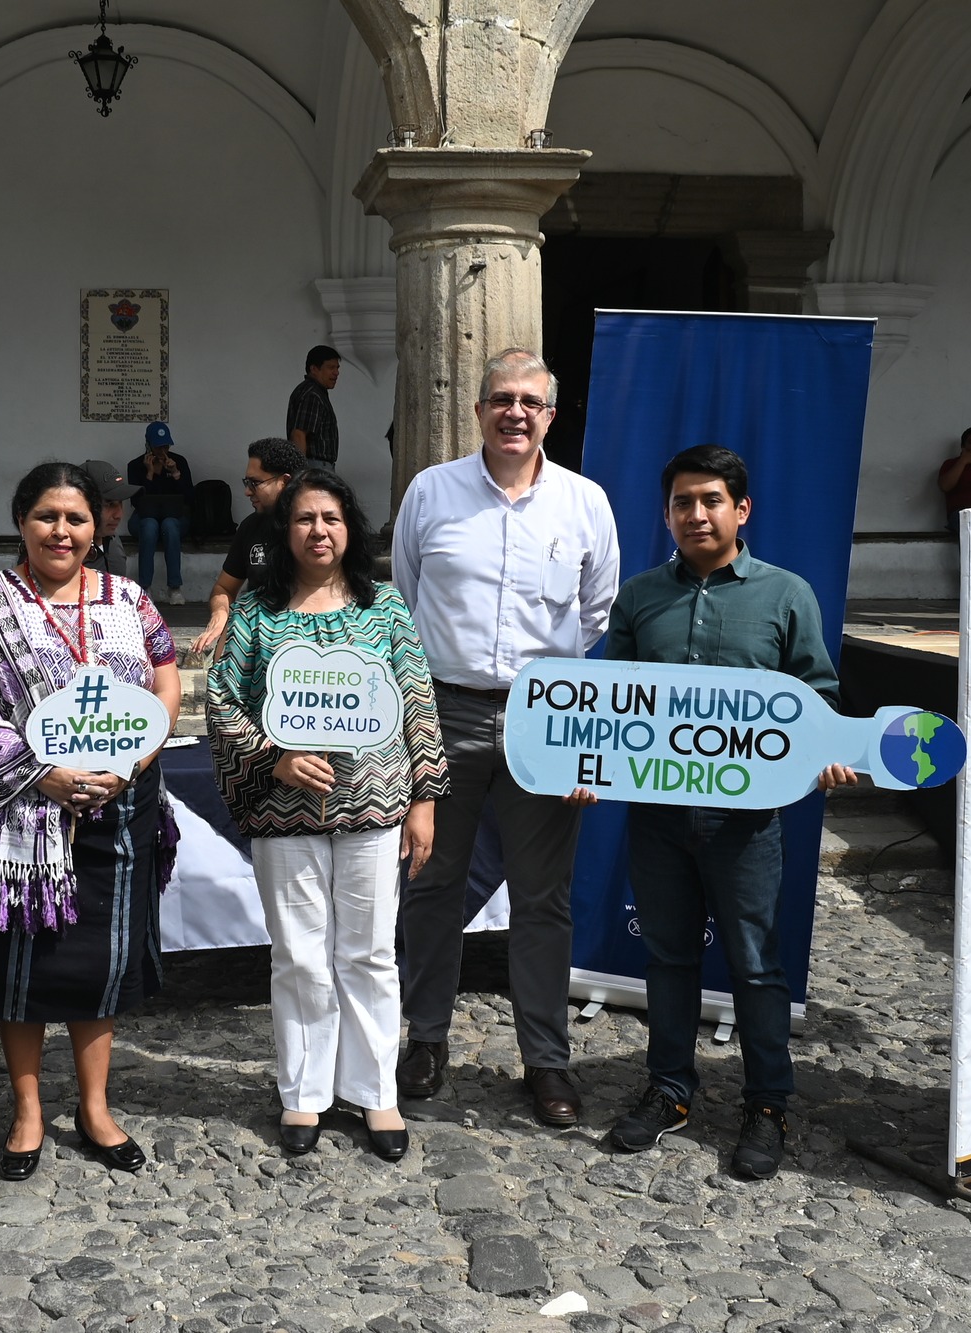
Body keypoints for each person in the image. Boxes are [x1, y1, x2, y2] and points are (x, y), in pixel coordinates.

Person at [601, 444, 854, 1181]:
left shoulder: (785, 595)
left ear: (741, 510)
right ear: (668, 513)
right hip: (657, 816)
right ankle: (671, 1089)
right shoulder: (641, 596)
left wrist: (827, 748)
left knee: (755, 965)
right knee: (669, 956)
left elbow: (819, 694)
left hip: (745, 823)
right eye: (682, 502)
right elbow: (607, 702)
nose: (696, 514)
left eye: (711, 500)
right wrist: (581, 762)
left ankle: (768, 1103)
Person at [0, 461, 182, 1181]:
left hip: (116, 804)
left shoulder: (129, 598)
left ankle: (96, 1108)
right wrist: (44, 773)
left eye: (75, 518)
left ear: (97, 525)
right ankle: (28, 1110)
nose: (61, 531)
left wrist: (130, 761)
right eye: (46, 516)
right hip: (20, 814)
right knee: (24, 966)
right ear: (20, 520)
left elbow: (166, 683)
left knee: (99, 964)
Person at [391, 347, 620, 1127]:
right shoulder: (431, 491)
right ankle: (425, 1037)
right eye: (501, 398)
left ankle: (546, 1059)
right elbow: (406, 597)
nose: (515, 412)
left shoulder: (585, 503)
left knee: (543, 897)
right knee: (431, 884)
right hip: (444, 710)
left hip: (546, 718)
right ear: (480, 410)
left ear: (551, 415)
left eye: (531, 400)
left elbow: (596, 618)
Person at [207, 469, 449, 1159]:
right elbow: (223, 701)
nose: (319, 530)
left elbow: (418, 703)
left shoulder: (387, 609)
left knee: (369, 953)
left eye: (332, 519)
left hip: (374, 806)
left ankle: (376, 1093)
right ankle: (304, 1092)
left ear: (352, 530)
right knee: (299, 956)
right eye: (305, 518)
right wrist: (271, 756)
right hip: (285, 812)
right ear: (285, 531)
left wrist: (425, 800)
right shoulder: (257, 609)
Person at [191, 437, 308, 658]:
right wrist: (221, 615)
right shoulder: (251, 527)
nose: (247, 492)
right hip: (257, 645)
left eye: (255, 483)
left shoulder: (317, 534)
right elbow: (224, 588)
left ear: (284, 481)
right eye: (247, 482)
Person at [127, 422, 194, 603]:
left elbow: (189, 497)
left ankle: (174, 588)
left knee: (170, 524)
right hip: (144, 518)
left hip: (174, 518)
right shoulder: (135, 466)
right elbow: (136, 502)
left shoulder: (179, 462)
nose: (162, 450)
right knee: (149, 525)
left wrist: (176, 474)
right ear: (148, 444)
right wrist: (149, 475)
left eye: (166, 446)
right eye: (158, 446)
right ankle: (145, 588)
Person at [80, 458, 136, 577]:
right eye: (109, 504)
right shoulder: (64, 554)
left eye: (120, 503)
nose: (119, 515)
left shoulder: (112, 540)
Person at [287, 346, 343, 464]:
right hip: (315, 466)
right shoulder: (312, 394)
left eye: (337, 368)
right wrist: (302, 472)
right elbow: (299, 434)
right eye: (331, 367)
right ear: (314, 369)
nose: (336, 372)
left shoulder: (311, 391)